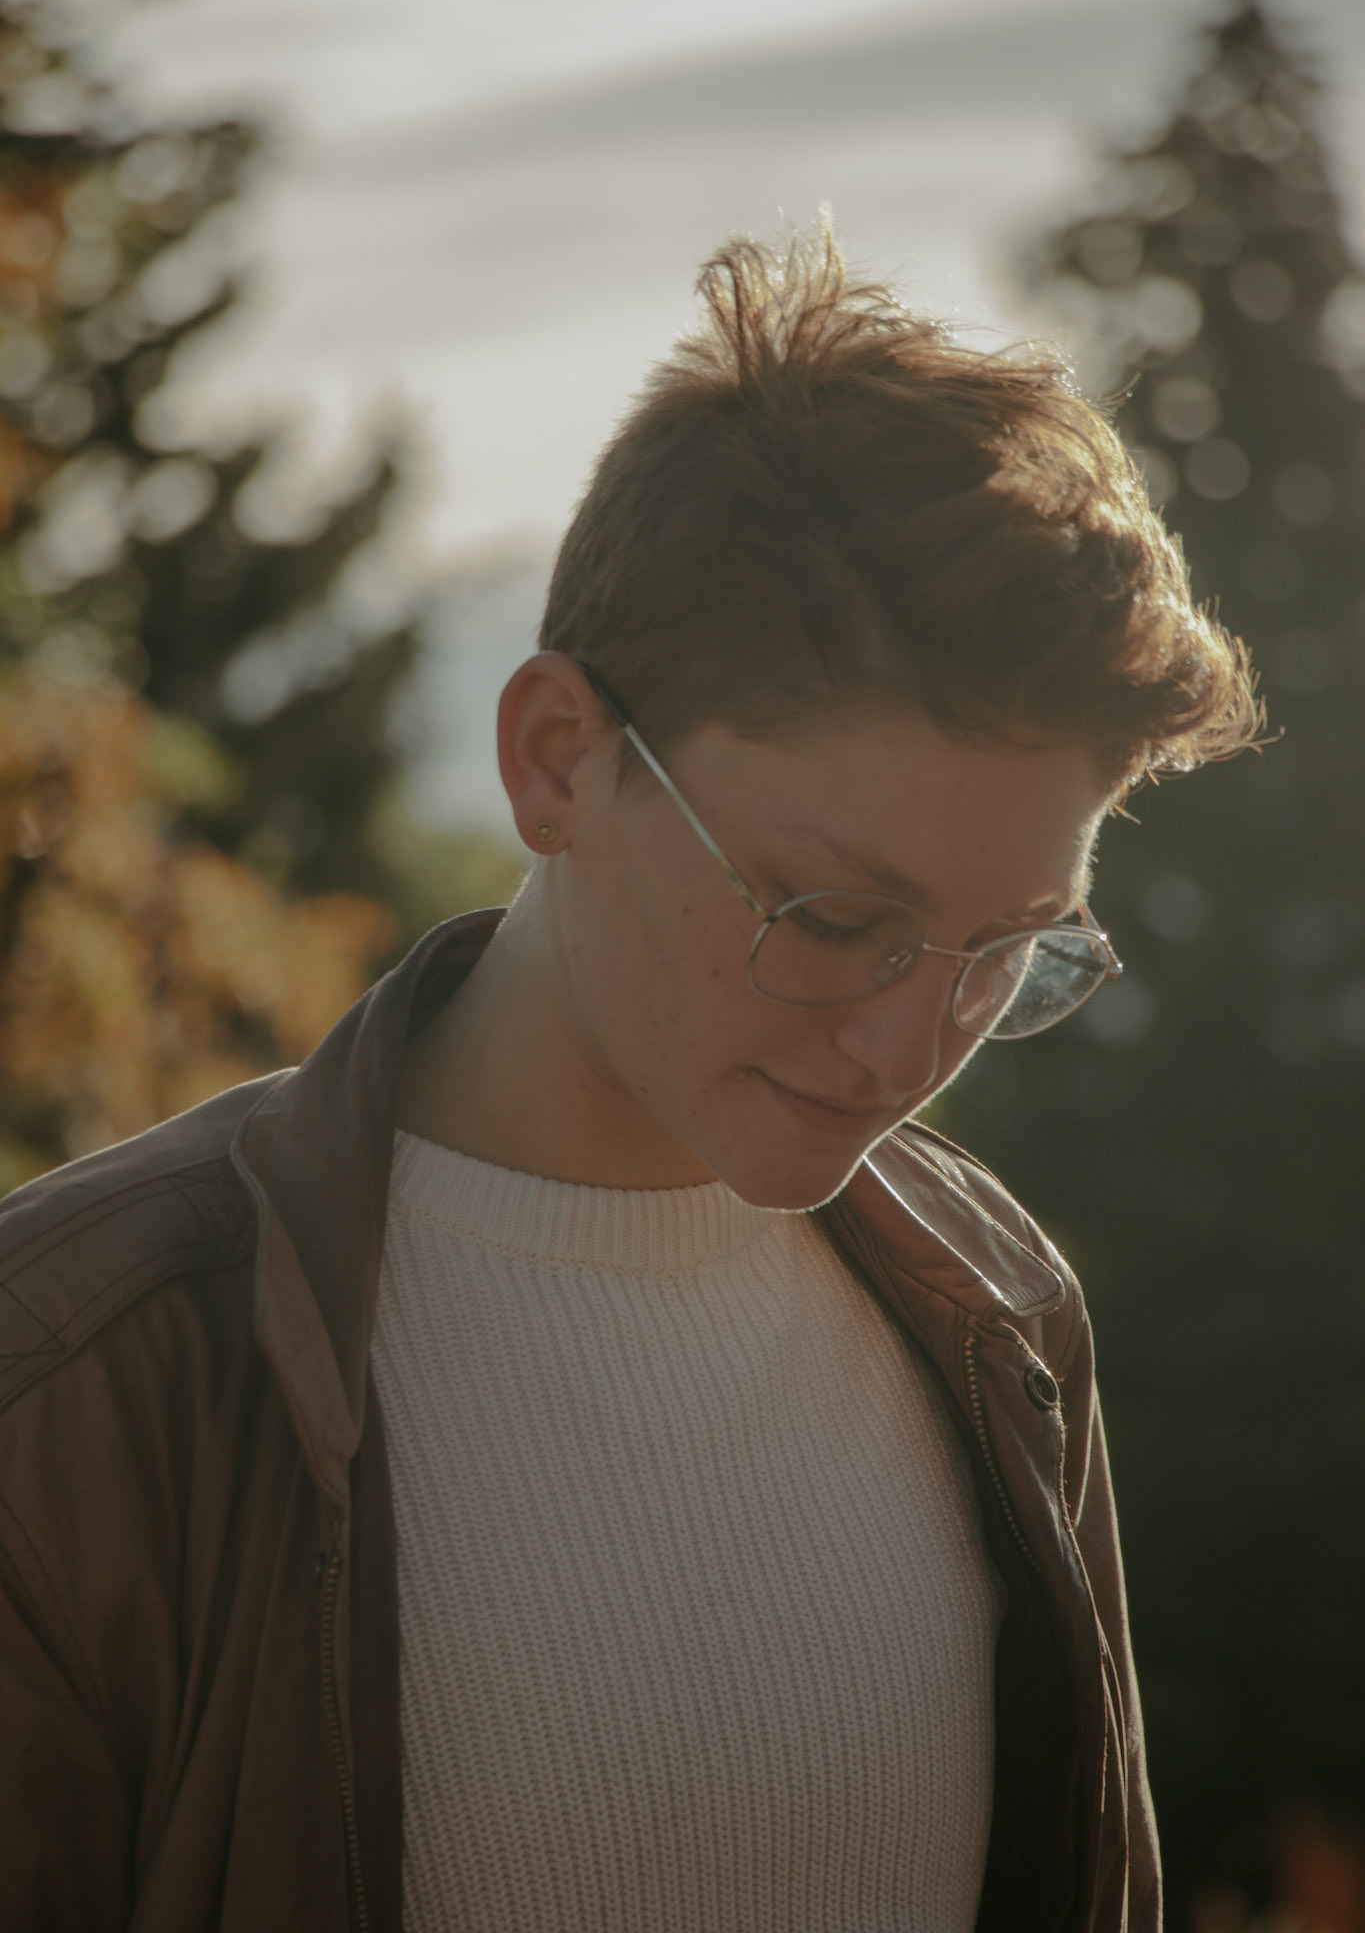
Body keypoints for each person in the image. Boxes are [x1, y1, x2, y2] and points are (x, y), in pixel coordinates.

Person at [0, 226, 1258, 1933]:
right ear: (554, 760)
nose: (907, 1051)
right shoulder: (69, 1383)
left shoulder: (1000, 1309)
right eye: (831, 920)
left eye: (1006, 950)